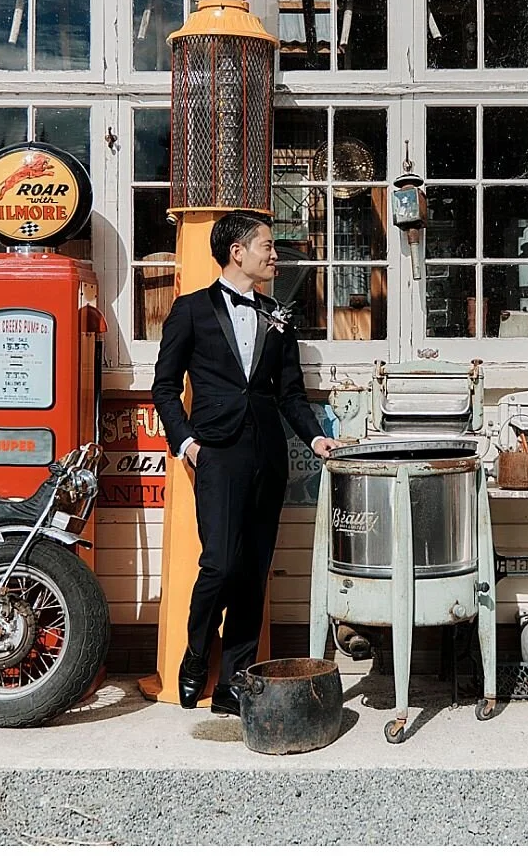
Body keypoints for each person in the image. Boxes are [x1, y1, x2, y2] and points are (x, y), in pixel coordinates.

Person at [151, 210, 342, 714]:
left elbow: (292, 395)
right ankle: (196, 656)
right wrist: (187, 444)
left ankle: (234, 682)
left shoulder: (279, 315)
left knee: (254, 571)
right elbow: (165, 388)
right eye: (268, 246)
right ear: (238, 252)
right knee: (219, 564)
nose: (275, 254)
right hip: (217, 454)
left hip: (268, 458)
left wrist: (317, 440)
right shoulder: (190, 310)